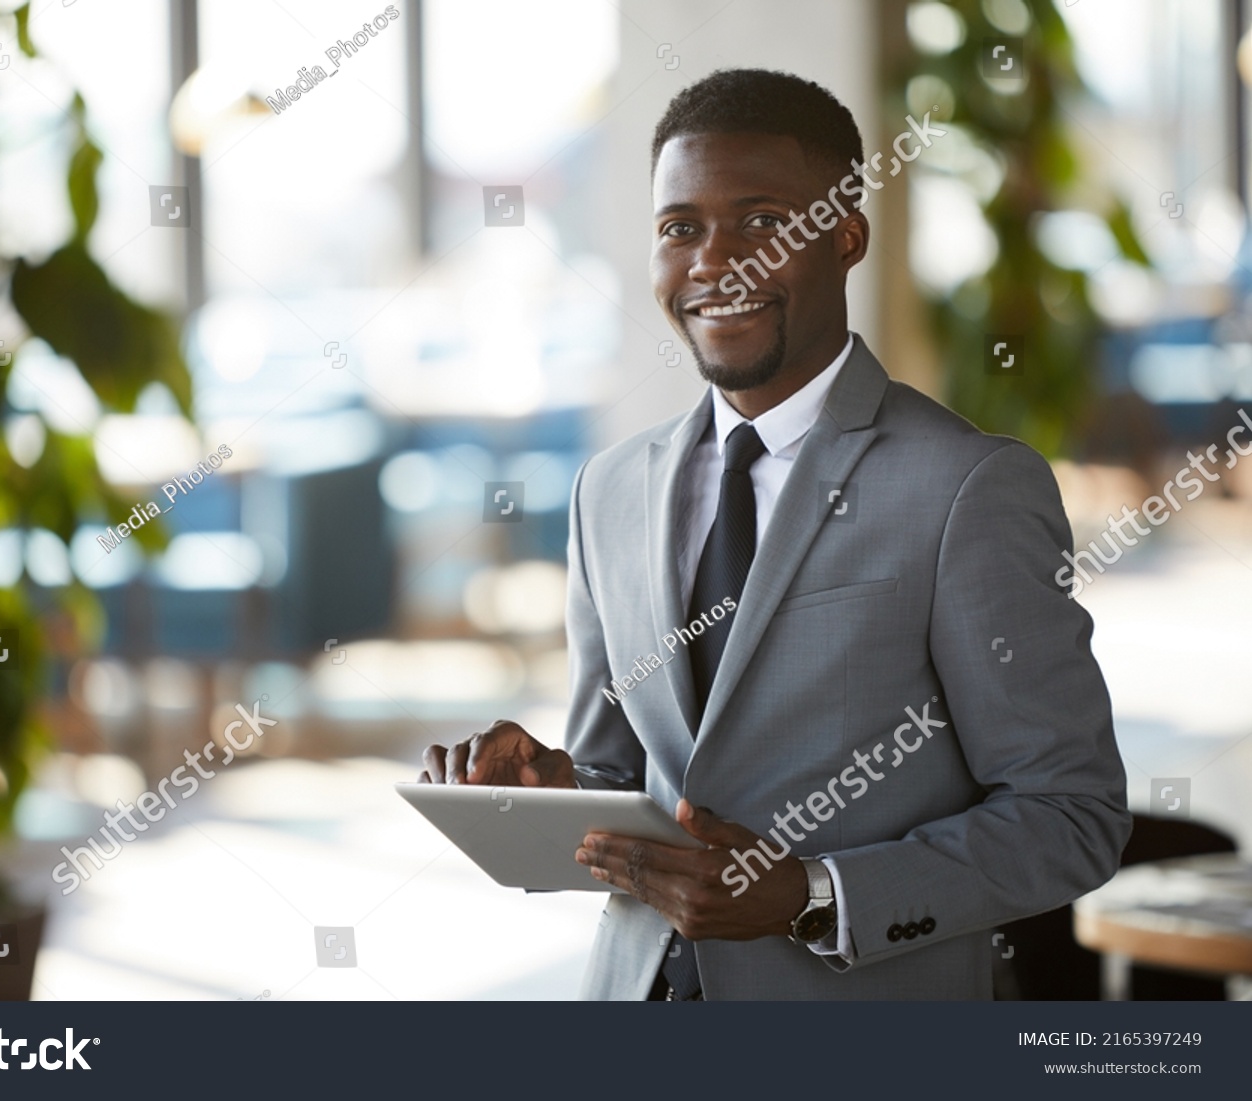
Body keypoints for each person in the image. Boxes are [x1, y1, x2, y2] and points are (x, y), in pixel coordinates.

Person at [418, 68, 1130, 1000]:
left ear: (846, 236)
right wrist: (552, 788)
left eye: (762, 221)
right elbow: (627, 770)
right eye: (682, 227)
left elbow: (1070, 813)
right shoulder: (610, 490)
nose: (718, 262)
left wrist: (811, 893)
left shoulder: (967, 487)